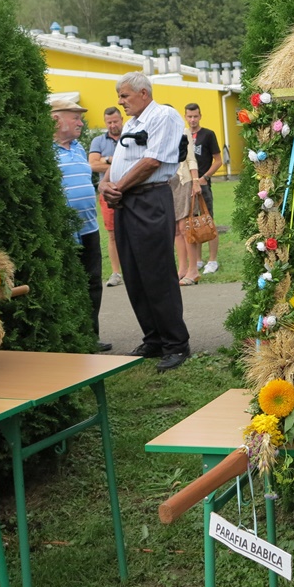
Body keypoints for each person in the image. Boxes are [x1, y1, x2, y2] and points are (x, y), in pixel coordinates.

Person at [98, 72, 191, 372]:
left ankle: (176, 343)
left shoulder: (164, 116)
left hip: (150, 199)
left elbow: (153, 161)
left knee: (157, 272)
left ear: (143, 93)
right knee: (135, 273)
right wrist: (105, 185)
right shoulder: (132, 123)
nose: (120, 102)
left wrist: (118, 186)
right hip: (126, 200)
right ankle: (154, 339)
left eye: (124, 96)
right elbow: (119, 160)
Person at [50, 98, 109, 352]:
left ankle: (91, 337)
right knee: (69, 285)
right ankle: (72, 339)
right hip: (64, 232)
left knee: (93, 283)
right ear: (56, 120)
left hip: (89, 229)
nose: (81, 123)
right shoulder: (45, 151)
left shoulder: (78, 148)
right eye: (75, 118)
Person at [185, 103, 223, 274]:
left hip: (203, 185)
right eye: (189, 116)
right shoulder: (183, 136)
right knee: (193, 222)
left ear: (200, 116)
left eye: (195, 116)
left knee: (208, 221)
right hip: (187, 185)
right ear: (185, 117)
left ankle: (212, 260)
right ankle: (198, 260)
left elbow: (218, 161)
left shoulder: (208, 134)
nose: (193, 120)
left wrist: (204, 178)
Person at [88, 107, 124, 287]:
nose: (112, 125)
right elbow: (93, 165)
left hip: (130, 190)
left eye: (115, 121)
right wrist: (115, 162)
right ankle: (116, 273)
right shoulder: (98, 141)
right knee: (112, 234)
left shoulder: (130, 136)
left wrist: (106, 160)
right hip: (108, 193)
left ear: (122, 119)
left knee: (134, 231)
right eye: (109, 122)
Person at [171, 118, 201, 286]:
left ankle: (193, 270)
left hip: (184, 181)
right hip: (169, 184)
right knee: (176, 229)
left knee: (185, 227)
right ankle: (182, 269)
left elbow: (191, 158)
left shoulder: (183, 132)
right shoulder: (158, 134)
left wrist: (195, 181)